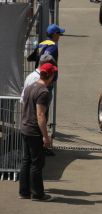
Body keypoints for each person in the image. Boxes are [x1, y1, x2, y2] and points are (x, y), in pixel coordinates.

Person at [19, 63, 58, 201]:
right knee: (37, 163)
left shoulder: (30, 87)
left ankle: (24, 192)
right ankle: (37, 194)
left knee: (26, 160)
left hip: (24, 127)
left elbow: (25, 106)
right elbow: (40, 116)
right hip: (34, 131)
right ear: (51, 76)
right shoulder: (43, 92)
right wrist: (46, 137)